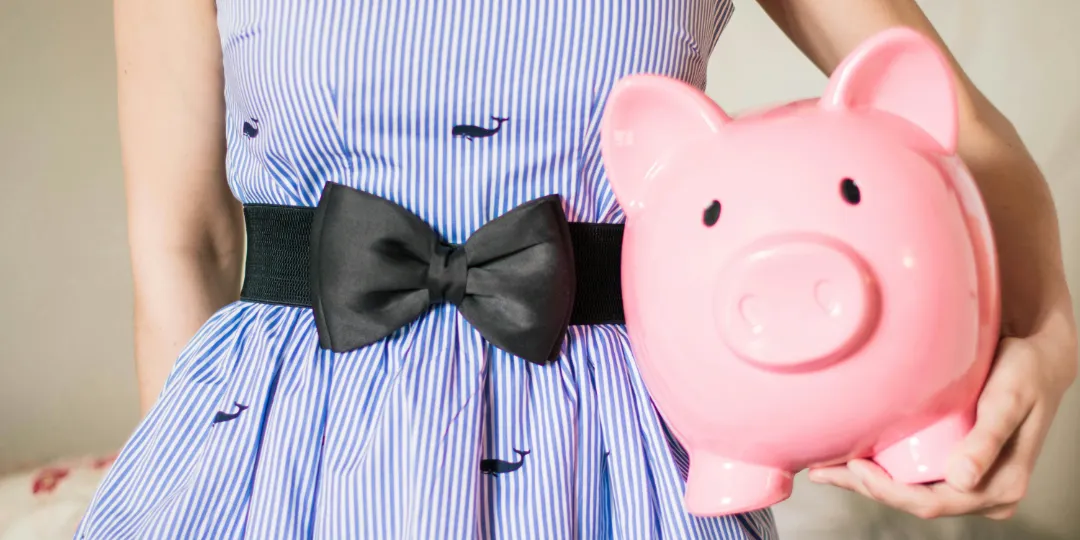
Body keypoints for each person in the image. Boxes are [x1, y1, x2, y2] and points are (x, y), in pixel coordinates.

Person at [78, 0, 1077, 537]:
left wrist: (1049, 340)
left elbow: (959, 129)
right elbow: (187, 243)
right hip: (286, 448)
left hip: (604, 456)